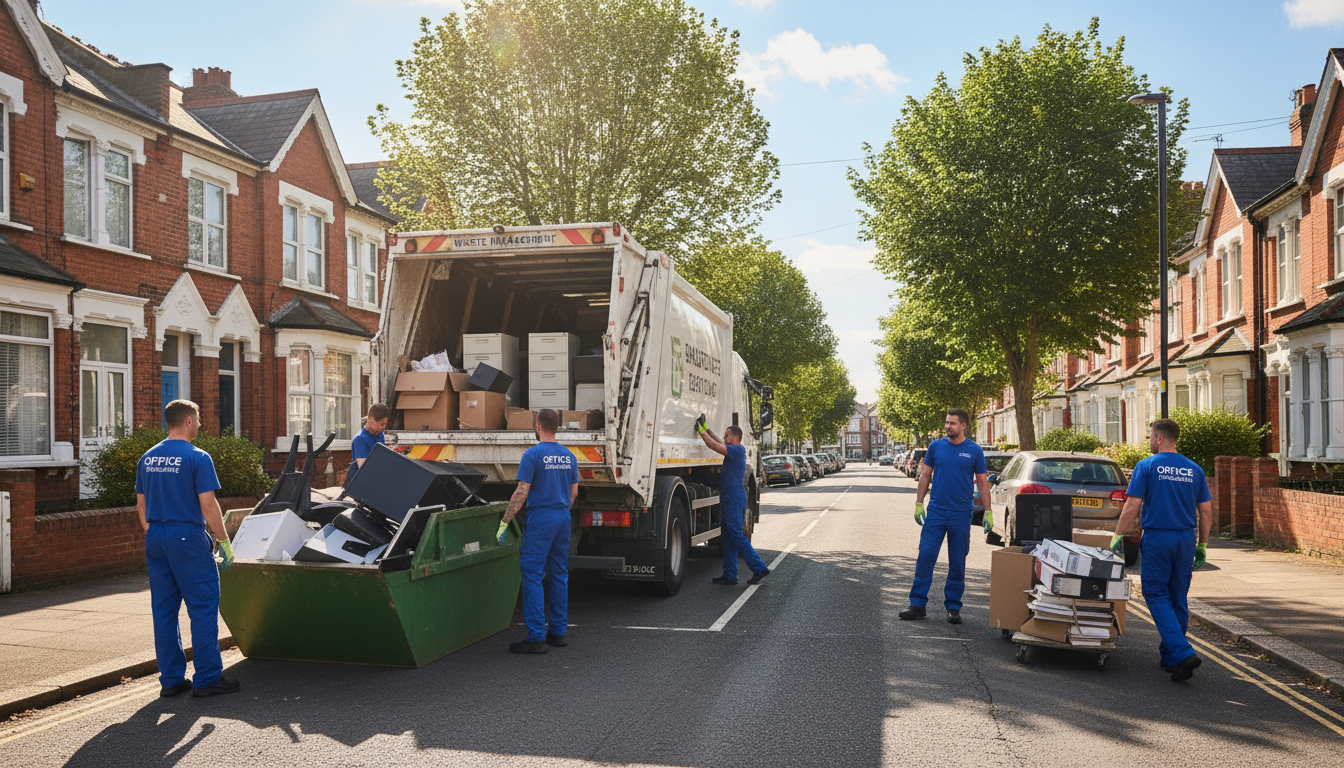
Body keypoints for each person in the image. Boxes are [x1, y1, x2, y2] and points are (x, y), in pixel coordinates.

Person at [136, 399, 240, 698]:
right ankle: (207, 678)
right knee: (203, 606)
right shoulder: (198, 457)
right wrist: (223, 541)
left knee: (164, 610)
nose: (201, 423)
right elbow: (208, 505)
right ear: (188, 421)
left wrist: (155, 532)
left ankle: (171, 680)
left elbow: (141, 504)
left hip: (156, 535)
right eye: (199, 418)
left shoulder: (148, 457)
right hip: (187, 536)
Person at [1109, 418, 1212, 683]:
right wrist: (1203, 543)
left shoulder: (1147, 466)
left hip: (1158, 537)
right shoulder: (1195, 469)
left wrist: (1118, 535)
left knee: (1155, 594)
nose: (1150, 440)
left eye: (1150, 436)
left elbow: (1132, 505)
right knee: (1178, 595)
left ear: (1159, 438)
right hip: (1186, 538)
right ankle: (1170, 657)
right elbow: (1206, 510)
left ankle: (1182, 651)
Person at [498, 408, 579, 654]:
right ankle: (558, 633)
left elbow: (522, 491)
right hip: (562, 516)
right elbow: (574, 492)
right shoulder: (569, 456)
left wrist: (505, 521)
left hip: (541, 517)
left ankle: (535, 638)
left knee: (532, 574)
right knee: (559, 574)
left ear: (537, 426)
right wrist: (560, 511)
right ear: (556, 428)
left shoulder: (532, 455)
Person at [899, 408, 991, 624]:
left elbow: (983, 483)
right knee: (926, 556)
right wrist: (919, 503)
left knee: (957, 561)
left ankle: (953, 607)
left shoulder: (974, 450)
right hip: (937, 512)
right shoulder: (936, 446)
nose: (948, 426)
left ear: (963, 426)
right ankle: (917, 604)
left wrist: (988, 511)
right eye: (947, 423)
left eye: (952, 423)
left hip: (961, 513)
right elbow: (925, 475)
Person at [698, 416, 770, 586]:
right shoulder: (732, 449)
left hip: (733, 497)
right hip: (729, 497)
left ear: (736, 438)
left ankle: (759, 568)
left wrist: (700, 430)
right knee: (727, 538)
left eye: (727, 435)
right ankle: (730, 575)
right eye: (724, 435)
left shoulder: (738, 450)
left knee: (736, 535)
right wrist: (707, 429)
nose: (725, 437)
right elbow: (718, 442)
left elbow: (713, 445)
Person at [348, 403, 391, 481]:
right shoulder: (360, 439)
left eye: (385, 424)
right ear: (370, 419)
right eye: (381, 424)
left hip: (377, 479)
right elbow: (365, 470)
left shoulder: (380, 434)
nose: (383, 427)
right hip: (361, 484)